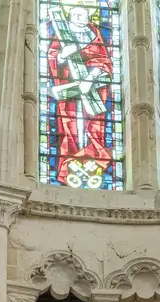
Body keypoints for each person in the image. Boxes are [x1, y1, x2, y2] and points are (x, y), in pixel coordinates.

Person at [45, 4, 119, 188]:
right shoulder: (62, 35)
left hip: (93, 90)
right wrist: (62, 55)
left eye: (84, 14)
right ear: (69, 15)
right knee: (70, 125)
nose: (80, 18)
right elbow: (52, 56)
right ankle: (71, 160)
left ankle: (93, 157)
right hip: (69, 90)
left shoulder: (95, 36)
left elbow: (104, 62)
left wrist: (92, 78)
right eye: (76, 14)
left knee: (93, 124)